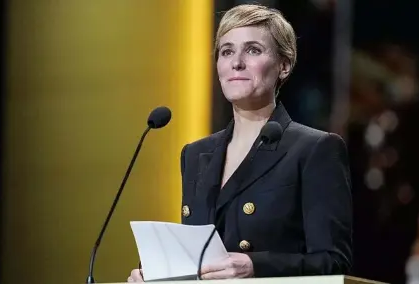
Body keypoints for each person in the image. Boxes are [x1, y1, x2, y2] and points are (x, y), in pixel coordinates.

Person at [128, 4, 353, 282]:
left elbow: (333, 260)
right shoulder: (196, 154)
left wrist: (255, 266)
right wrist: (158, 273)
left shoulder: (315, 149)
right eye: (226, 51)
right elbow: (200, 256)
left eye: (253, 50)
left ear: (284, 65)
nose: (236, 62)